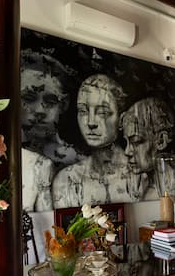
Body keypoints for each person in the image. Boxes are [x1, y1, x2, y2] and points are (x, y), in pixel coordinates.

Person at [52, 74, 129, 207]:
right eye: (83, 111)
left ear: (121, 120)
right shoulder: (67, 179)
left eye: (102, 112)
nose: (91, 122)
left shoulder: (141, 176)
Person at [20, 50, 75, 211]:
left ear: (63, 105)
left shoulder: (75, 162)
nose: (40, 110)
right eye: (29, 99)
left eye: (50, 101)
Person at [119, 97, 175, 201]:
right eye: (125, 142)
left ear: (161, 141)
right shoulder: (136, 187)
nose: (127, 151)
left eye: (136, 141)